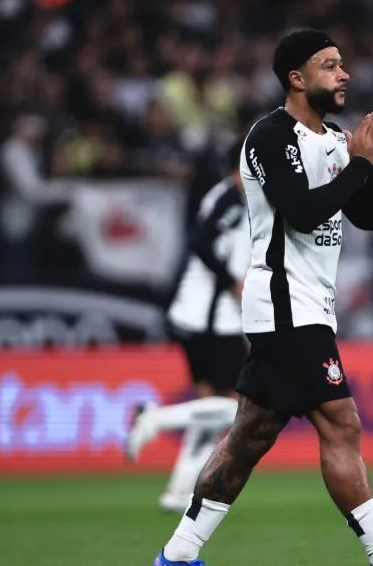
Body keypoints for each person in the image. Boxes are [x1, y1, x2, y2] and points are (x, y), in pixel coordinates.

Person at [152, 29, 373, 566]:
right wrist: (360, 166)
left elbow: (365, 215)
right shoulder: (268, 137)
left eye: (343, 64)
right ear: (296, 78)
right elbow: (302, 211)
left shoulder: (336, 139)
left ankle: (177, 555)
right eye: (330, 65)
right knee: (342, 423)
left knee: (247, 438)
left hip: (308, 306)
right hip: (285, 306)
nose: (344, 74)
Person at [126, 143, 250, 512]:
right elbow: (201, 242)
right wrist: (231, 281)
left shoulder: (227, 196)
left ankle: (178, 491)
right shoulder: (231, 199)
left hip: (197, 316)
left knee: (211, 410)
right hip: (211, 319)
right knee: (241, 408)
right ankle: (154, 418)